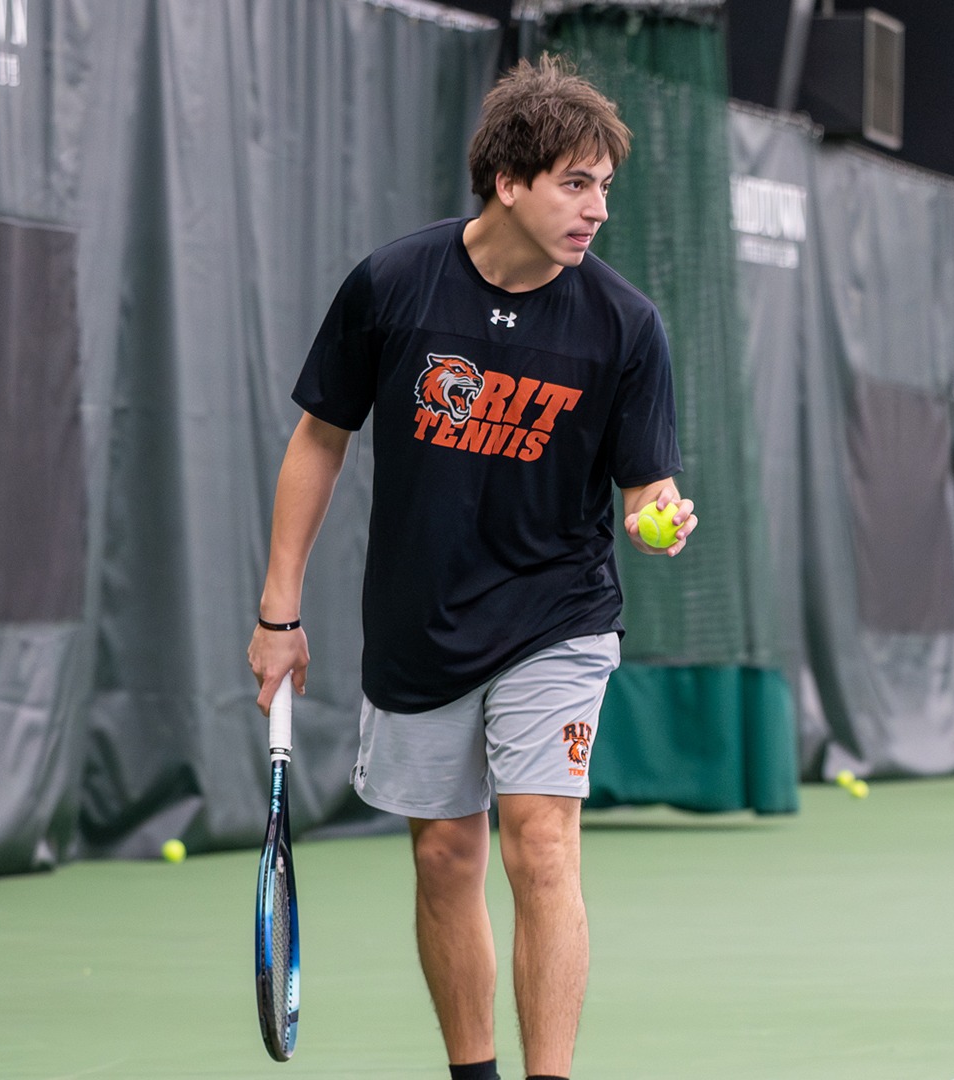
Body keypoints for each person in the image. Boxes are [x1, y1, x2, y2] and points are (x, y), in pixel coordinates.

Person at [245, 56, 695, 1080]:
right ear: (509, 181)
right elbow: (320, 439)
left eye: (605, 187)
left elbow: (647, 498)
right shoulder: (394, 287)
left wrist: (663, 523)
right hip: (420, 622)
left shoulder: (625, 326)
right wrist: (280, 611)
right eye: (576, 184)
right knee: (444, 855)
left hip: (558, 615)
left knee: (540, 844)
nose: (597, 211)